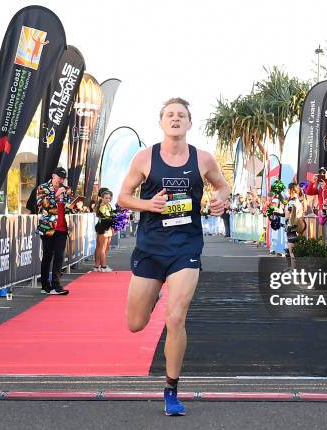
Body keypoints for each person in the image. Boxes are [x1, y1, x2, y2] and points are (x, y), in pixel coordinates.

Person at [117, 98, 229, 416]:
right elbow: (123, 197)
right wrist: (148, 205)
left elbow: (223, 187)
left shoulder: (203, 158)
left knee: (176, 317)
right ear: (161, 122)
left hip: (186, 248)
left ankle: (171, 390)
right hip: (151, 249)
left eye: (181, 115)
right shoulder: (144, 157)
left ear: (190, 123)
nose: (175, 119)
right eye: (170, 115)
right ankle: (152, 295)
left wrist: (220, 200)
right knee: (135, 323)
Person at [36, 167, 72, 295]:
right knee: (47, 255)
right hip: (48, 227)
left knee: (59, 256)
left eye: (63, 178)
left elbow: (67, 206)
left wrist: (74, 205)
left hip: (62, 227)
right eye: (59, 177)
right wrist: (56, 195)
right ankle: (45, 285)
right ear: (53, 176)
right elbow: (42, 204)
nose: (61, 180)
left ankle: (56, 285)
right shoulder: (43, 187)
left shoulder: (66, 189)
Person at [94, 190, 114, 272]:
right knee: (102, 247)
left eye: (109, 198)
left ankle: (97, 266)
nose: (108, 200)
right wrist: (115, 218)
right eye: (106, 198)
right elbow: (107, 217)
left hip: (108, 227)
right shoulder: (102, 206)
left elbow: (111, 216)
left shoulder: (108, 205)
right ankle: (103, 266)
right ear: (102, 198)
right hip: (103, 228)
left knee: (103, 247)